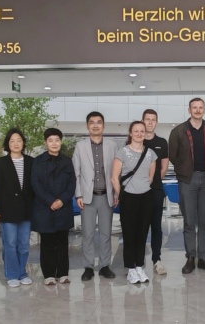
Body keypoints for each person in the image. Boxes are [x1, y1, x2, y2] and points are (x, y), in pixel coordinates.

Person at [169, 97, 205, 274]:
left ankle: (203, 258)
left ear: (204, 109)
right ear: (189, 110)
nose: (197, 110)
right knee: (189, 221)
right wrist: (184, 169)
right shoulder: (178, 131)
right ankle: (190, 257)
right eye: (194, 107)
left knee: (204, 221)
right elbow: (173, 155)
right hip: (187, 180)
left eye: (200, 107)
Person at [73, 111, 118, 282]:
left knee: (106, 233)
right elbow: (76, 173)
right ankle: (88, 267)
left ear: (103, 125)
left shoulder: (112, 145)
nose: (95, 125)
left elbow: (117, 172)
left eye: (99, 122)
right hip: (87, 197)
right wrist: (78, 194)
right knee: (88, 234)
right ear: (87, 126)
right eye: (92, 122)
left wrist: (116, 193)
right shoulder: (80, 146)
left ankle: (105, 265)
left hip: (107, 196)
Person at [111, 121, 157, 284]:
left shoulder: (150, 153)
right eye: (136, 131)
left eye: (142, 131)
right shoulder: (122, 152)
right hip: (128, 197)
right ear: (130, 133)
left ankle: (139, 266)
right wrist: (121, 195)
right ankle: (130, 268)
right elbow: (114, 178)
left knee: (142, 233)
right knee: (129, 233)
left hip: (146, 196)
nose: (139, 134)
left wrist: (142, 187)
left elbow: (150, 177)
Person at [31, 128, 76, 285]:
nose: (54, 143)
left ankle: (63, 273)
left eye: (57, 140)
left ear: (61, 142)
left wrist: (61, 200)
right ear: (45, 143)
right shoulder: (38, 162)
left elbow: (72, 184)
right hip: (45, 208)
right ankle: (49, 275)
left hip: (63, 207)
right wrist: (51, 201)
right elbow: (36, 184)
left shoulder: (67, 161)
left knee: (63, 242)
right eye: (50, 140)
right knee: (47, 243)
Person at [0, 128, 34, 288]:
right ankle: (12, 274)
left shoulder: (31, 161)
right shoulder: (1, 163)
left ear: (23, 143)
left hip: (26, 210)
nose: (16, 143)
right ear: (7, 144)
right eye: (12, 141)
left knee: (24, 244)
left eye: (19, 140)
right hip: (7, 210)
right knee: (10, 243)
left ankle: (22, 273)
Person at [142, 109, 169, 275]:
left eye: (153, 120)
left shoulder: (162, 142)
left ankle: (156, 260)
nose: (150, 122)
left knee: (156, 227)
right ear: (143, 121)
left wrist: (152, 180)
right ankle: (138, 262)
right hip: (137, 192)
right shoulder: (136, 140)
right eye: (147, 119)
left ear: (156, 123)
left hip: (156, 190)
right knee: (140, 227)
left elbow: (164, 167)